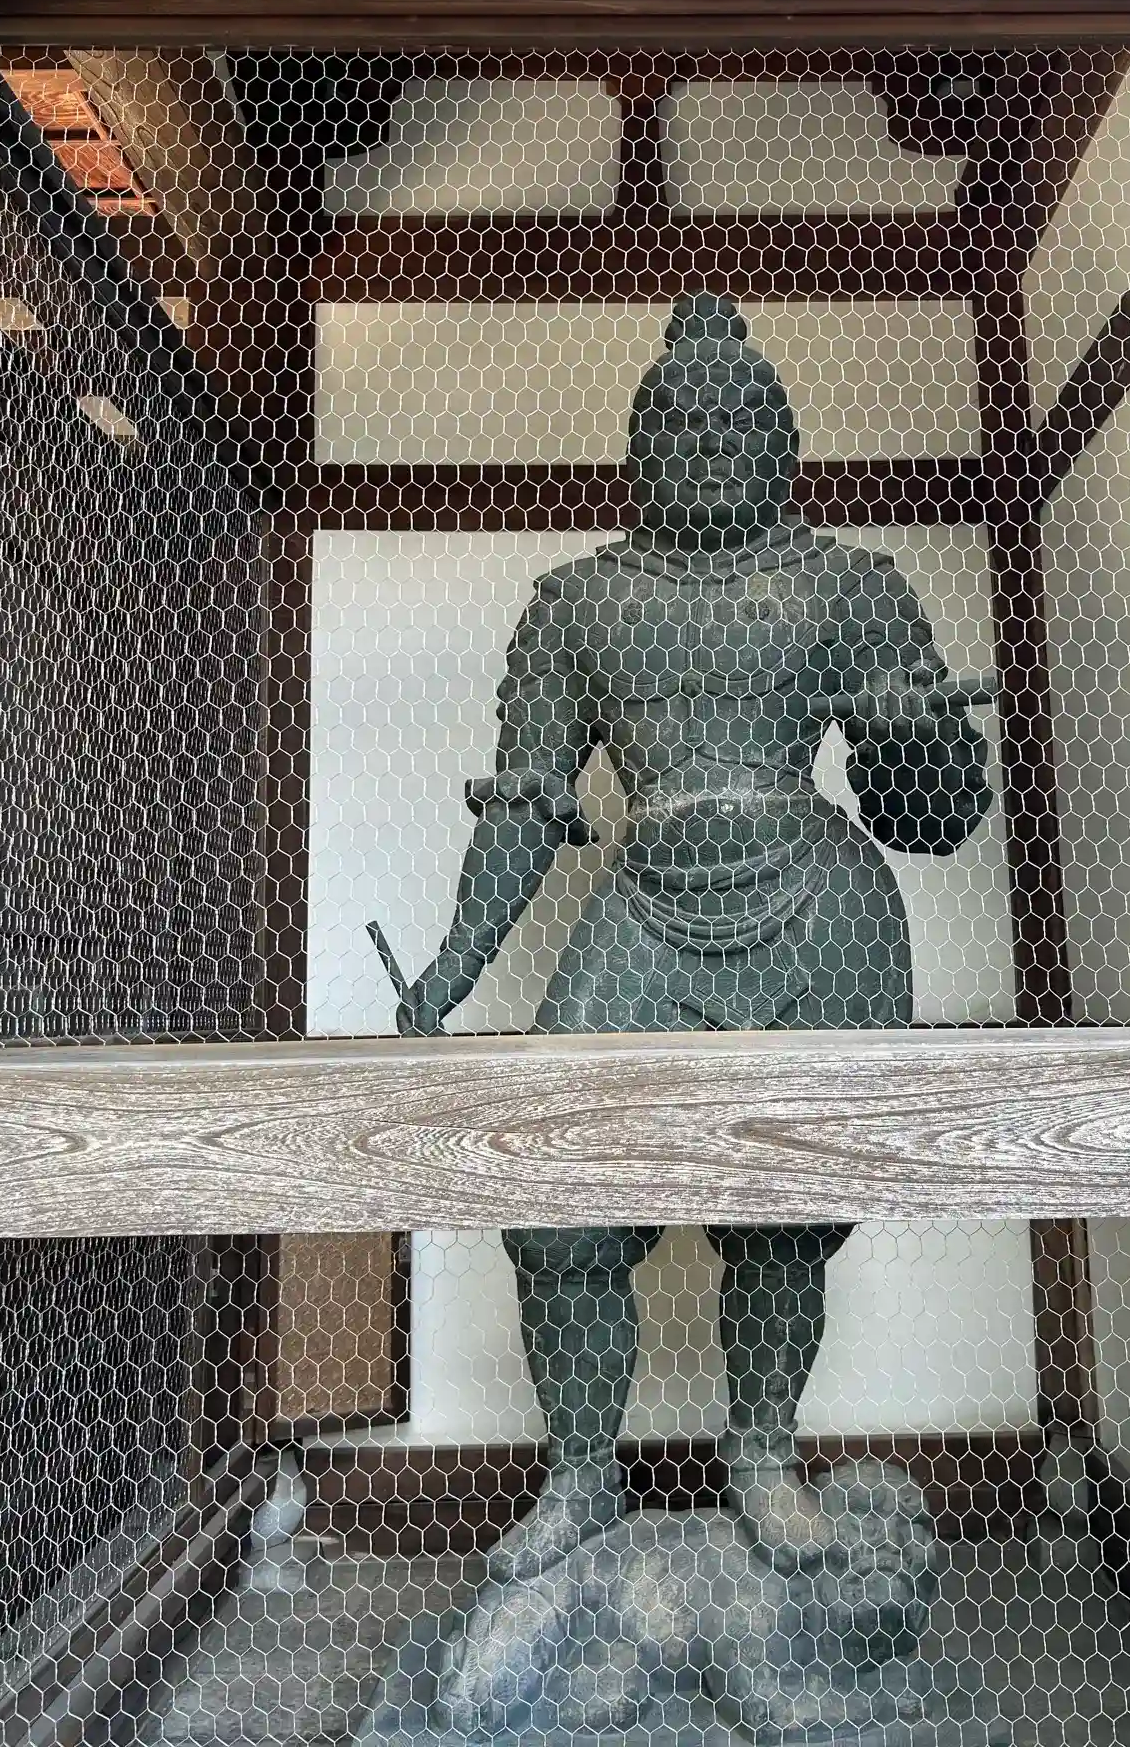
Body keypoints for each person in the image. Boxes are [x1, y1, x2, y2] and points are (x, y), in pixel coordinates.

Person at [398, 293, 992, 1583]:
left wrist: (918, 736)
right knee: (558, 1197)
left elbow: (933, 821)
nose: (711, 445)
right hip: (645, 901)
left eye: (738, 425)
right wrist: (456, 961)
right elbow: (529, 802)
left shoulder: (849, 584)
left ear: (786, 444)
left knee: (784, 1201)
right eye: (679, 424)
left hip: (818, 903)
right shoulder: (579, 602)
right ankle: (580, 1472)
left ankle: (763, 1454)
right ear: (636, 448)